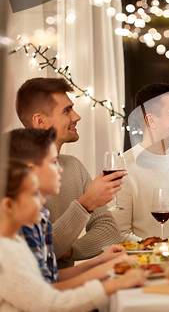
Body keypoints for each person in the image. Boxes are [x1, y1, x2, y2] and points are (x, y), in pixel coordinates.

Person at [0, 160, 146, 311]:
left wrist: (98, 263)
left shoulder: (16, 242)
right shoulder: (6, 252)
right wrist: (114, 284)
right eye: (34, 195)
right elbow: (49, 303)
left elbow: (46, 281)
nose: (43, 201)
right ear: (8, 205)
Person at [8, 128, 141, 290]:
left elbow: (49, 279)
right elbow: (43, 297)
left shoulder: (39, 215)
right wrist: (108, 278)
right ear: (31, 169)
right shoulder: (15, 223)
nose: (61, 169)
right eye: (53, 161)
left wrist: (98, 263)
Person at [16, 77, 124, 268]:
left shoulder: (72, 166)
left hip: (64, 285)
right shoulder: (13, 176)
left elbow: (109, 230)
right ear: (40, 121)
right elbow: (38, 249)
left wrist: (71, 251)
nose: (76, 116)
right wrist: (86, 203)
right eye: (66, 110)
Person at [112, 83, 169, 242]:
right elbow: (118, 234)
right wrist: (167, 248)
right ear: (151, 120)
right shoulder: (122, 167)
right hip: (147, 264)